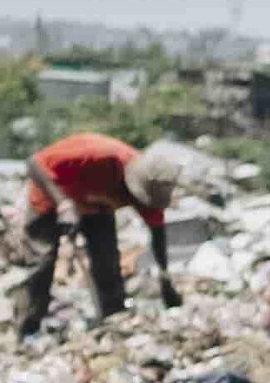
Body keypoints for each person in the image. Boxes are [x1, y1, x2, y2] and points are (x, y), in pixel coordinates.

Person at [14, 130, 185, 335]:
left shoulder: (151, 189)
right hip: (49, 198)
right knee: (42, 264)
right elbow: (34, 163)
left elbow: (157, 232)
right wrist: (64, 205)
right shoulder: (97, 154)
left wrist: (165, 280)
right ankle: (27, 330)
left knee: (107, 260)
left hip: (96, 206)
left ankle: (114, 320)